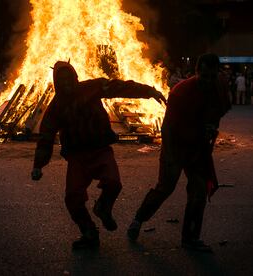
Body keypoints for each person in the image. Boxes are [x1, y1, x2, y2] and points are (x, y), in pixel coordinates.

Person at [31, 61, 166, 250]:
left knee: (113, 183)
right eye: (61, 80)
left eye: (68, 78)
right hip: (77, 156)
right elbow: (46, 136)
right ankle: (89, 232)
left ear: (75, 77)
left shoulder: (92, 87)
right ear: (56, 83)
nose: (66, 83)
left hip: (100, 149)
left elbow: (120, 87)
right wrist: (38, 164)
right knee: (73, 197)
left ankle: (103, 207)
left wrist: (149, 91)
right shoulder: (56, 106)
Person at [126, 53, 231, 252]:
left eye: (212, 76)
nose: (208, 81)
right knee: (165, 188)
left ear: (217, 73)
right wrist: (171, 156)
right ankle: (138, 220)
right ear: (197, 72)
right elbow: (167, 128)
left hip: (198, 147)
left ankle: (190, 238)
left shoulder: (220, 86)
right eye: (204, 76)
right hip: (176, 145)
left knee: (199, 191)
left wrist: (211, 126)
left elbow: (221, 109)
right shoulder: (181, 91)